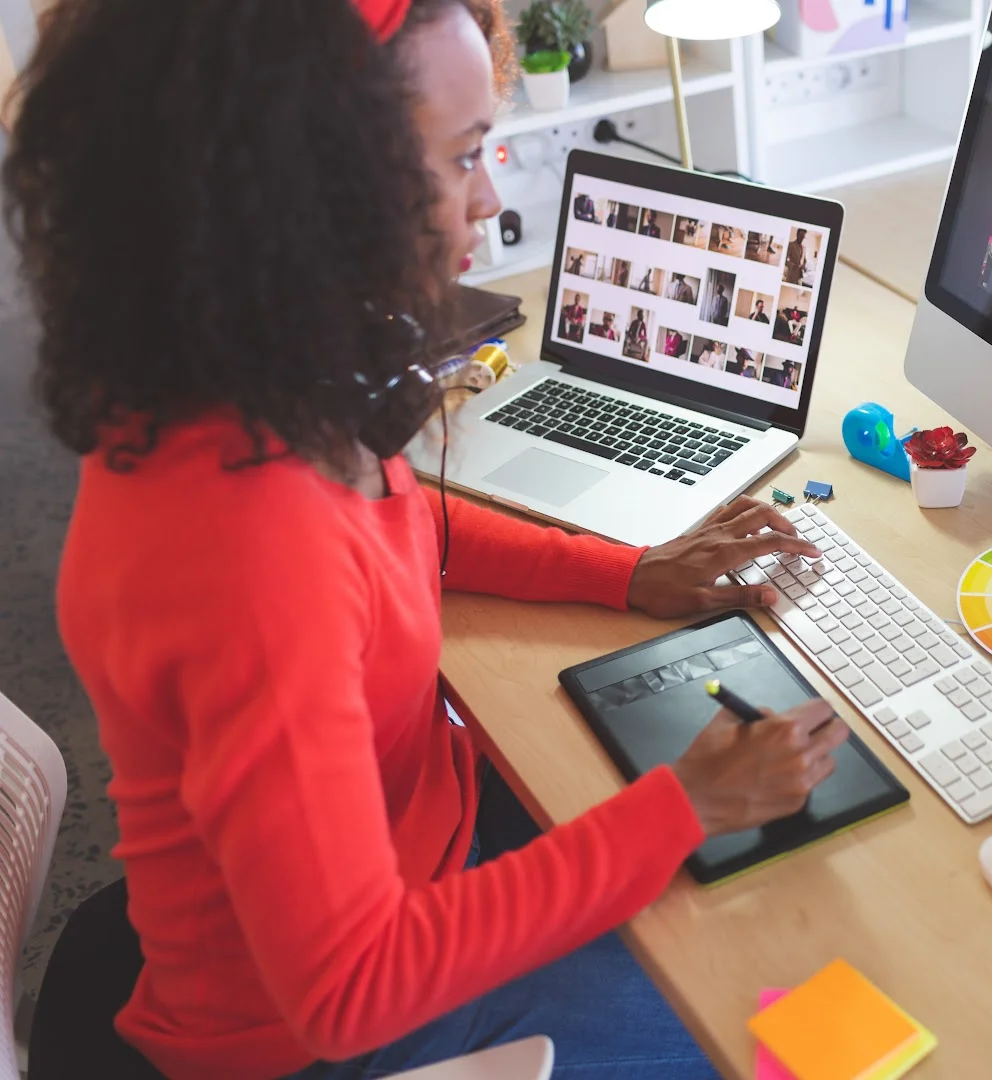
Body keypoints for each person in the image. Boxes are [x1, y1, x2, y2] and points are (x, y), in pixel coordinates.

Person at [7, 2, 850, 1079]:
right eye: (461, 158)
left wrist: (626, 572)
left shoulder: (228, 385)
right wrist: (688, 805)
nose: (488, 201)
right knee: (778, 1020)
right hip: (339, 1037)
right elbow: (351, 989)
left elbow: (401, 522)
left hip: (421, 842)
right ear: (307, 193)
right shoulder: (249, 546)